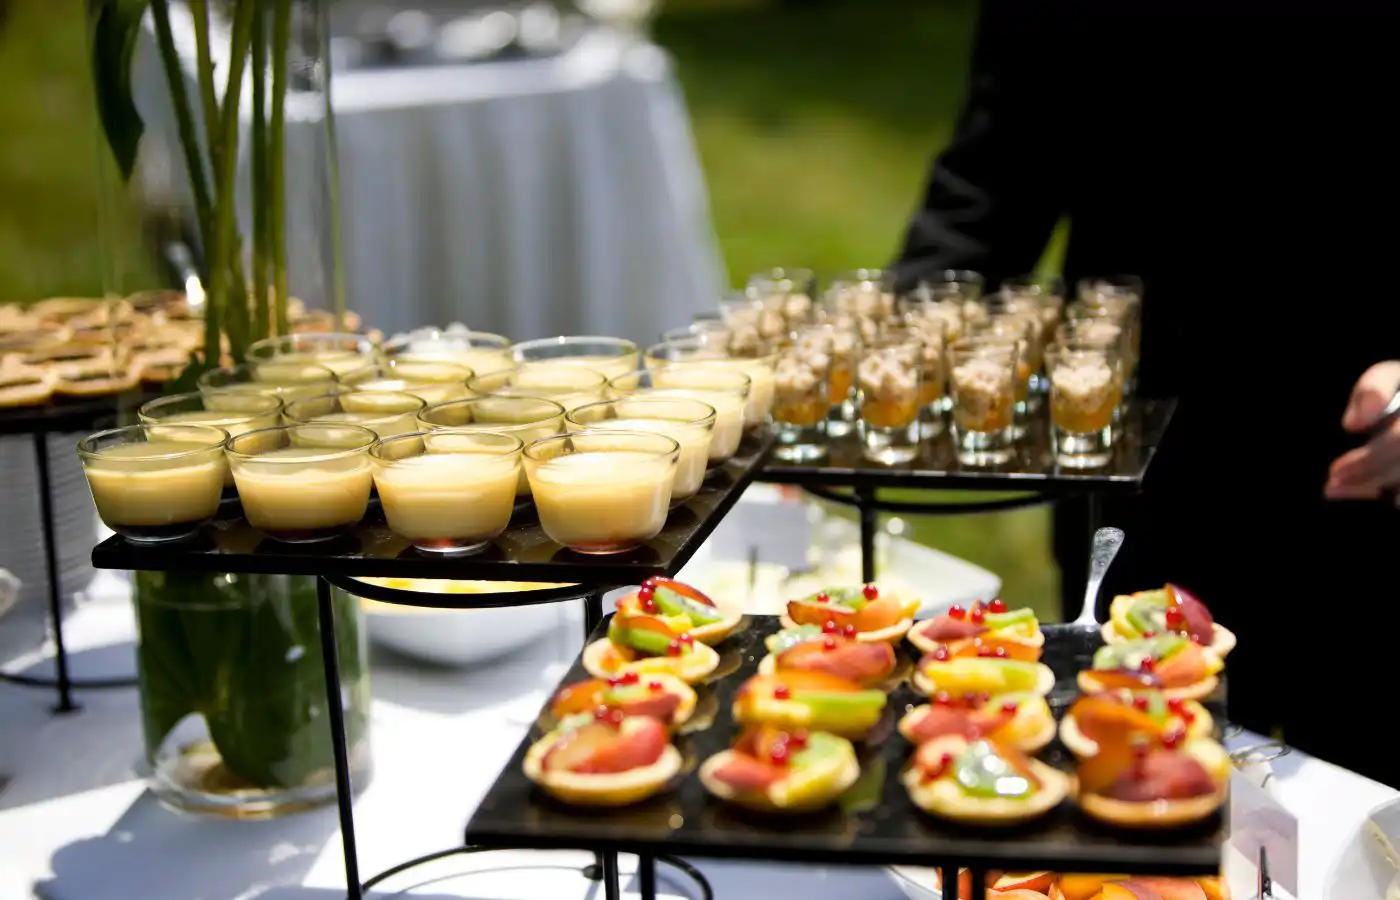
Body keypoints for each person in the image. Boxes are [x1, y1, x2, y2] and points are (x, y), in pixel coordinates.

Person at [891, 2, 1400, 787]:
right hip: (1138, 441)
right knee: (1135, 770)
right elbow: (998, 163)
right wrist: (881, 360)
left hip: (1364, 455)